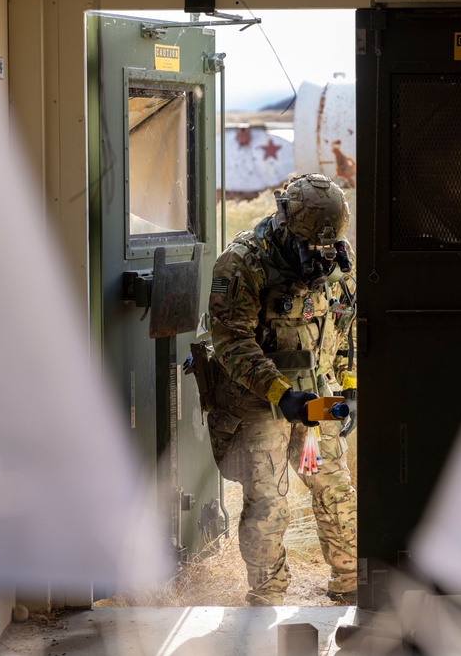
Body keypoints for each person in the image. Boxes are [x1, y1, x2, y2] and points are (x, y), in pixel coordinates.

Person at [204, 173, 358, 606]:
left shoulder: (337, 259)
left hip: (318, 397)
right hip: (259, 402)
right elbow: (232, 340)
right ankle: (267, 598)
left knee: (335, 488)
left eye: (325, 247)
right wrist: (280, 394)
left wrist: (348, 387)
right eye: (310, 246)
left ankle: (350, 583)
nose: (319, 256)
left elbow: (346, 326)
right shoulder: (242, 262)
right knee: (267, 504)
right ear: (285, 222)